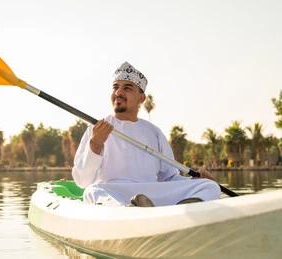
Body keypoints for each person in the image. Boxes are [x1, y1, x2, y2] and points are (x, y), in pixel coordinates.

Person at [71, 61, 221, 207]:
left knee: (209, 186)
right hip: (113, 192)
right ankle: (127, 210)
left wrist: (196, 179)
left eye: (127, 88)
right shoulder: (96, 128)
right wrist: (94, 145)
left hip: (149, 193)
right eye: (115, 87)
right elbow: (82, 181)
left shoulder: (153, 132)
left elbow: (169, 178)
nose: (118, 92)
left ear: (141, 98)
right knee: (92, 191)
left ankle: (188, 207)